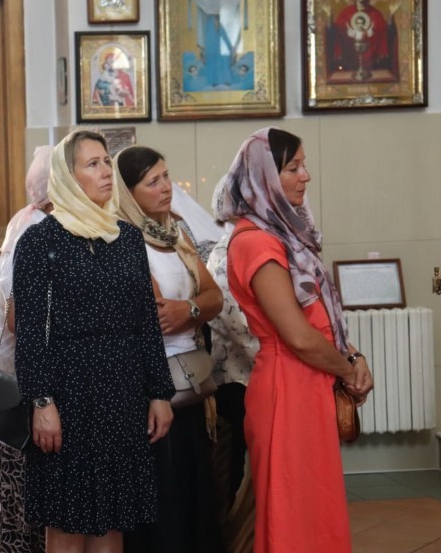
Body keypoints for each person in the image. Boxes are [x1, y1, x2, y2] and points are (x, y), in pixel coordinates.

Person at [12, 130, 174, 553]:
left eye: (106, 161)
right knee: (68, 521)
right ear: (68, 176)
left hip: (122, 392)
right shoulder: (39, 242)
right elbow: (30, 332)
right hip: (69, 395)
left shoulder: (127, 239)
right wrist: (42, 402)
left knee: (112, 522)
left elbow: (146, 321)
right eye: (92, 164)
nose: (106, 171)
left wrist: (159, 393)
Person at [217, 128, 374, 552]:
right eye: (292, 168)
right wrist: (346, 370)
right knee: (294, 515)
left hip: (307, 382)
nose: (306, 176)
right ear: (264, 178)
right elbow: (298, 337)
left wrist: (354, 355)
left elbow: (320, 319)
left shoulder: (286, 233)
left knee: (315, 508)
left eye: (303, 165)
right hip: (287, 387)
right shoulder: (256, 242)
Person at [114, 145, 224, 553]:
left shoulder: (175, 233)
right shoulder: (124, 241)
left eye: (166, 177)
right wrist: (193, 308)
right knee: (165, 494)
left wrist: (189, 309)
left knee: (195, 489)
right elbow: (156, 314)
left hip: (191, 382)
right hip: (151, 387)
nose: (166, 188)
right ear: (129, 193)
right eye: (153, 182)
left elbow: (215, 298)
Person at [0, 144, 52, 553]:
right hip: (21, 377)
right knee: (21, 492)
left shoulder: (23, 218)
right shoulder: (37, 228)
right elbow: (17, 317)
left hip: (12, 370)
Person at [205, 176, 260, 553]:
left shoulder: (252, 245)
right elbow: (243, 329)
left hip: (254, 379)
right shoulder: (226, 254)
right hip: (236, 384)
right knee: (232, 480)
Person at [324, 0, 399, 81]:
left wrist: (391, 18)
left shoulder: (376, 15)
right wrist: (329, 18)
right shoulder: (345, 14)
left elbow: (387, 36)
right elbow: (335, 35)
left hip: (374, 66)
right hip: (347, 67)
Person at [187, 0, 248, 88]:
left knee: (225, 52)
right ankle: (213, 79)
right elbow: (204, 6)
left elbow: (233, 5)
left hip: (224, 24)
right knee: (212, 52)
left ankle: (226, 78)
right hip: (211, 25)